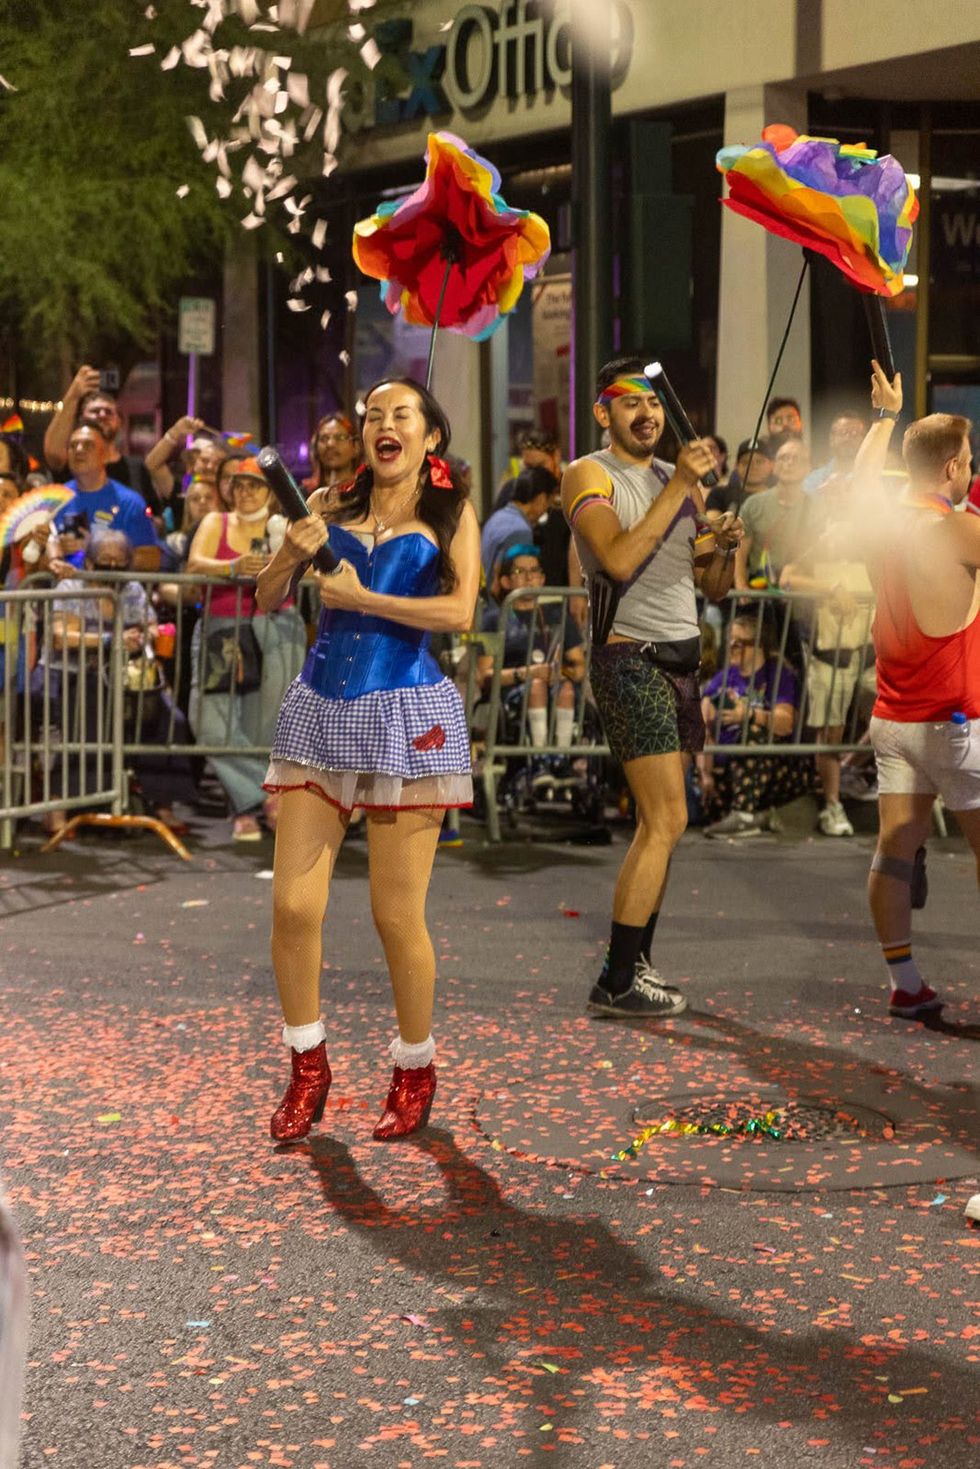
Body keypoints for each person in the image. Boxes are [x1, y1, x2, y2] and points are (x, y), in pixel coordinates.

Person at [255, 376, 479, 1144]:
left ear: (430, 437)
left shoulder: (451, 513)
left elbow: (459, 612)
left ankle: (414, 1064)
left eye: (401, 414)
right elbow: (264, 596)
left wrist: (362, 599)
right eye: (373, 414)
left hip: (407, 714)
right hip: (321, 709)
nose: (384, 424)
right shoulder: (325, 507)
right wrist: (289, 554)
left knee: (394, 913)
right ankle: (307, 1064)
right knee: (292, 906)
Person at [561, 355, 742, 1019]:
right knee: (666, 817)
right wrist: (682, 491)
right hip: (627, 657)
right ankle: (615, 978)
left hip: (680, 659)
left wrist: (725, 543)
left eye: (657, 404)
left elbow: (713, 586)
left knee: (664, 821)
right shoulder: (590, 472)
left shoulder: (678, 481)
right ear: (604, 412)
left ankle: (635, 961)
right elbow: (615, 557)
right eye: (631, 402)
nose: (649, 414)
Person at [856, 362, 980, 1019]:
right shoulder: (956, 529)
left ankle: (906, 982)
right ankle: (906, 984)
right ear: (955, 468)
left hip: (894, 716)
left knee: (896, 848)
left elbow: (856, 488)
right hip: (954, 720)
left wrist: (884, 418)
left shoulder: (879, 521)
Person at [186, 456, 307, 840]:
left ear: (270, 491)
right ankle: (268, 796)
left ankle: (246, 810)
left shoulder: (287, 526)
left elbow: (307, 568)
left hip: (276, 624)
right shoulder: (215, 522)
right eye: (238, 485)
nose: (245, 492)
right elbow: (193, 566)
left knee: (265, 724)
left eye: (253, 485)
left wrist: (277, 564)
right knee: (209, 721)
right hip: (222, 626)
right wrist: (233, 567)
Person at [781, 474, 877, 838]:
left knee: (894, 717)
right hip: (830, 649)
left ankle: (853, 767)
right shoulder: (818, 535)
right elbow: (788, 577)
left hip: (870, 648)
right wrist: (831, 588)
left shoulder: (874, 537)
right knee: (831, 730)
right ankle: (833, 805)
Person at [697, 610, 810, 837]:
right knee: (712, 808)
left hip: (771, 766)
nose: (731, 647)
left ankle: (743, 816)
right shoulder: (724, 677)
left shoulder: (777, 674)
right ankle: (759, 816)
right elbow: (702, 728)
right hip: (729, 766)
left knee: (754, 730)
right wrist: (704, 772)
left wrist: (747, 714)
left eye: (739, 643)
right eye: (730, 641)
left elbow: (785, 722)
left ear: (758, 645)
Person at [477, 543, 586, 756]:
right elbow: (484, 676)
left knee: (566, 689)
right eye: (520, 572)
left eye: (534, 571)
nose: (529, 577)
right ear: (505, 581)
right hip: (514, 689)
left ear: (543, 579)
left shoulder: (557, 614)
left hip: (554, 685)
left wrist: (559, 672)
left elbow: (579, 666)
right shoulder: (492, 620)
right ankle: (539, 757)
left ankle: (562, 757)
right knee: (536, 686)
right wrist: (529, 673)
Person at [48, 425, 161, 573]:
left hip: (114, 592)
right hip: (66, 591)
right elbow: (34, 564)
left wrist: (95, 550)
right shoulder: (54, 500)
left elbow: (152, 560)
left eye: (88, 445)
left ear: (106, 455)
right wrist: (55, 555)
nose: (79, 450)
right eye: (72, 445)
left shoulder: (130, 502)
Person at [43, 370, 157, 508]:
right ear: (81, 418)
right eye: (95, 411)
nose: (102, 415)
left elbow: (155, 514)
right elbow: (53, 453)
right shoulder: (75, 460)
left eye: (108, 412)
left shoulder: (136, 468)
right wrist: (74, 394)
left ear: (120, 422)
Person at [735, 435, 818, 593]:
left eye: (797, 459)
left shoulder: (817, 506)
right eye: (783, 458)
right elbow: (740, 550)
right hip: (760, 593)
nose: (789, 463)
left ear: (808, 468)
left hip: (801, 595)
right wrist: (740, 585)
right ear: (774, 466)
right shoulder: (754, 504)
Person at [480, 466, 555, 593]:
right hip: (502, 610)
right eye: (549, 503)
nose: (547, 509)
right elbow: (520, 584)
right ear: (541, 498)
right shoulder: (520, 531)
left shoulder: (497, 517)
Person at [706, 437, 773, 518]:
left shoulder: (779, 497)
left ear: (772, 465)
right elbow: (712, 522)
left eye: (759, 462)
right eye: (745, 462)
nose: (753, 466)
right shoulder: (719, 494)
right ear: (736, 466)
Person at [804, 410, 867, 494]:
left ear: (864, 440)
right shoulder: (813, 480)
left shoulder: (872, 479)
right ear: (831, 439)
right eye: (842, 433)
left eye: (854, 434)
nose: (847, 439)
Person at [305, 413, 360, 492]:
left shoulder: (367, 493)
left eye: (340, 437)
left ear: (356, 447)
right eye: (324, 438)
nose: (330, 444)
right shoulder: (302, 495)